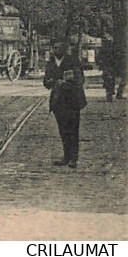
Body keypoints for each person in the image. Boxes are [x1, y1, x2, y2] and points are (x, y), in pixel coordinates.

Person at [43, 39, 86, 169]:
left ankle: (74, 158)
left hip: (72, 100)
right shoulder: (51, 62)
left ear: (63, 49)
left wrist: (67, 84)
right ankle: (66, 156)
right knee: (63, 130)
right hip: (58, 102)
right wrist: (50, 82)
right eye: (54, 48)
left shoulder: (73, 61)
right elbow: (45, 82)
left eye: (58, 48)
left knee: (73, 129)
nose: (56, 50)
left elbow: (80, 80)